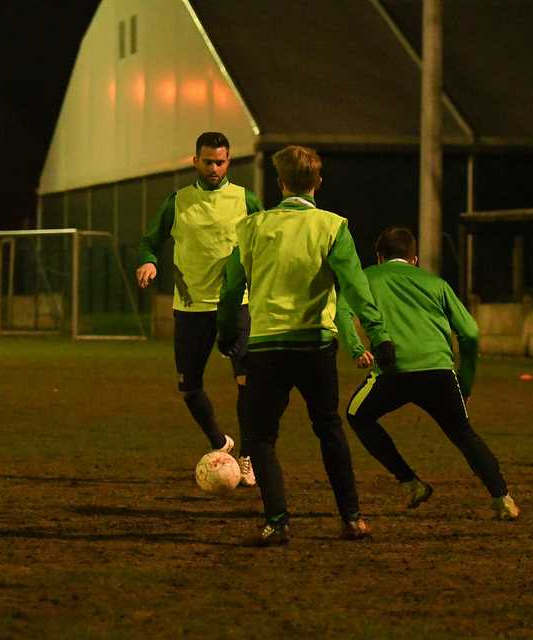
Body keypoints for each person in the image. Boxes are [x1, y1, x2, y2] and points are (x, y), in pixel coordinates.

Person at [217, 145, 396, 546]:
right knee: (328, 427)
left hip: (265, 348)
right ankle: (352, 518)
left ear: (280, 184)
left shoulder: (251, 227)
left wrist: (227, 331)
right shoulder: (333, 227)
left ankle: (277, 521)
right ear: (317, 182)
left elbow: (230, 289)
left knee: (261, 438)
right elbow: (357, 287)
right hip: (315, 346)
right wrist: (379, 336)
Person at [337, 226, 520, 520]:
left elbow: (341, 313)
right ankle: (503, 498)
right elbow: (471, 333)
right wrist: (466, 382)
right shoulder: (436, 283)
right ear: (415, 259)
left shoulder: (367, 277)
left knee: (358, 415)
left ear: (380, 257)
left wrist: (357, 349)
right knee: (463, 434)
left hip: (393, 371)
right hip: (439, 372)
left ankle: (410, 483)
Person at [136, 132, 261, 486]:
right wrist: (148, 261)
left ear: (229, 161)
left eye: (220, 161)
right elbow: (150, 240)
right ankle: (220, 444)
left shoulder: (246, 200)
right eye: (207, 161)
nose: (214, 168)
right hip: (190, 308)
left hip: (237, 306)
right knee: (188, 388)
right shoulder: (178, 201)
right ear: (195, 161)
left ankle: (248, 456)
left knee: (247, 383)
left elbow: (267, 241)